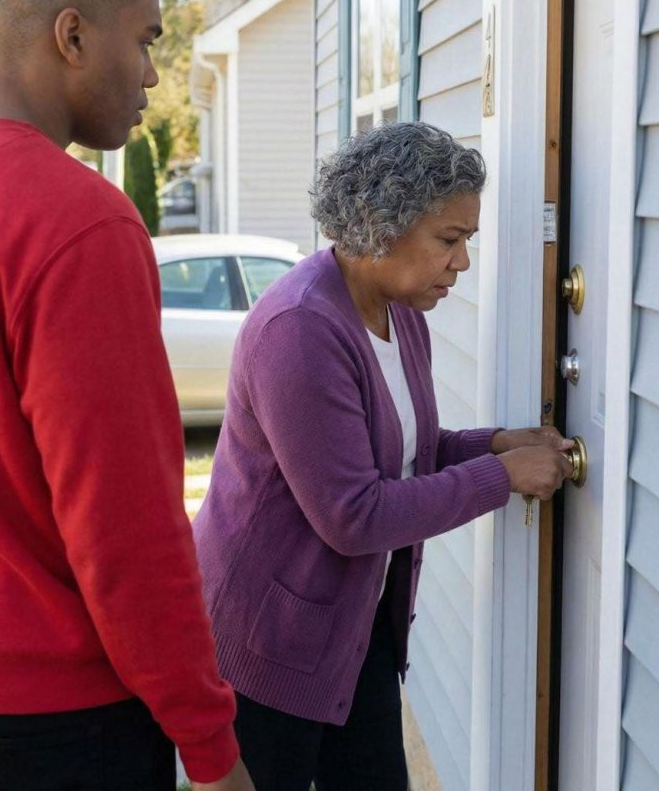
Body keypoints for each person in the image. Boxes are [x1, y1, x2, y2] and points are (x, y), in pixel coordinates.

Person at [0, 0, 253, 791]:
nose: (155, 76)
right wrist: (210, 748)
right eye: (148, 39)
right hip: (50, 730)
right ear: (73, 35)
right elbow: (126, 529)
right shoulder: (78, 219)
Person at [192, 121, 573, 791]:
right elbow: (354, 513)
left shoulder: (401, 316)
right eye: (449, 241)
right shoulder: (302, 330)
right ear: (381, 226)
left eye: (466, 242)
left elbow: (404, 456)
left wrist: (492, 445)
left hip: (351, 631)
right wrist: (500, 476)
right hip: (267, 646)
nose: (462, 263)